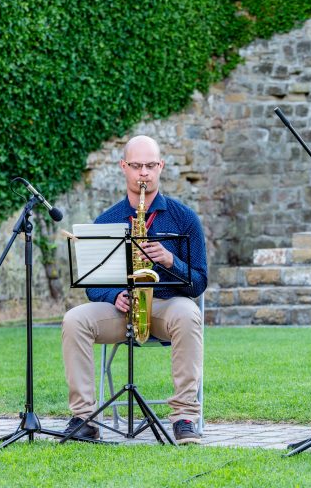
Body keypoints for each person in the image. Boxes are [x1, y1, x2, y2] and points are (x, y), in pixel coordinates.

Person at [62, 135, 208, 444]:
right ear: (123, 167)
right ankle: (83, 418)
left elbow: (199, 282)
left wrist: (171, 261)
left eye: (151, 166)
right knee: (75, 319)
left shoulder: (185, 218)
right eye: (137, 166)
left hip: (166, 308)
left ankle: (185, 416)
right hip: (122, 309)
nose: (144, 173)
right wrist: (113, 294)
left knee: (188, 313)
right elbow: (93, 285)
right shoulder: (107, 220)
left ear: (161, 167)